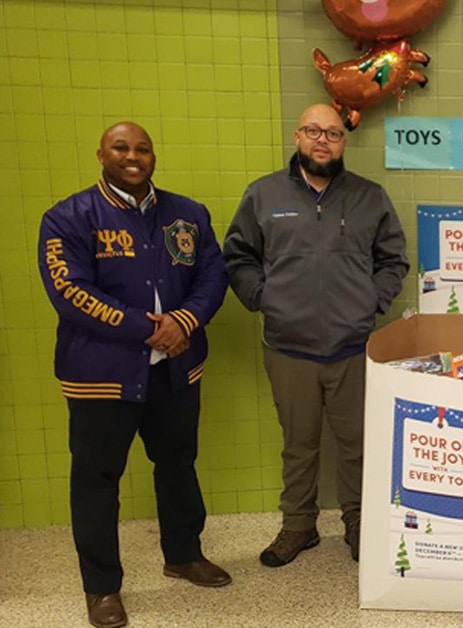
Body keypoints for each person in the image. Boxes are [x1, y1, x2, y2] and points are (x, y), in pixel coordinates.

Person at [37, 122, 231, 628]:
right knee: (97, 481)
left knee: (177, 464)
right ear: (101, 153)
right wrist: (147, 329)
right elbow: (70, 292)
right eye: (121, 147)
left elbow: (213, 273)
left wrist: (184, 322)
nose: (133, 156)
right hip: (101, 375)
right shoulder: (67, 218)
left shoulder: (188, 214)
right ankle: (101, 588)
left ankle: (183, 554)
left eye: (143, 148)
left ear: (153, 156)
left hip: (178, 368)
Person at [223, 104, 409, 566]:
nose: (322, 140)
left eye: (333, 133)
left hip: (352, 349)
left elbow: (393, 260)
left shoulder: (369, 197)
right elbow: (238, 256)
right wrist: (265, 299)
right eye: (313, 131)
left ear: (344, 142)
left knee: (358, 444)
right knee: (299, 444)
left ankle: (359, 523)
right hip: (289, 349)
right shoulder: (264, 195)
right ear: (297, 136)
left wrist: (371, 302)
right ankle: (298, 526)